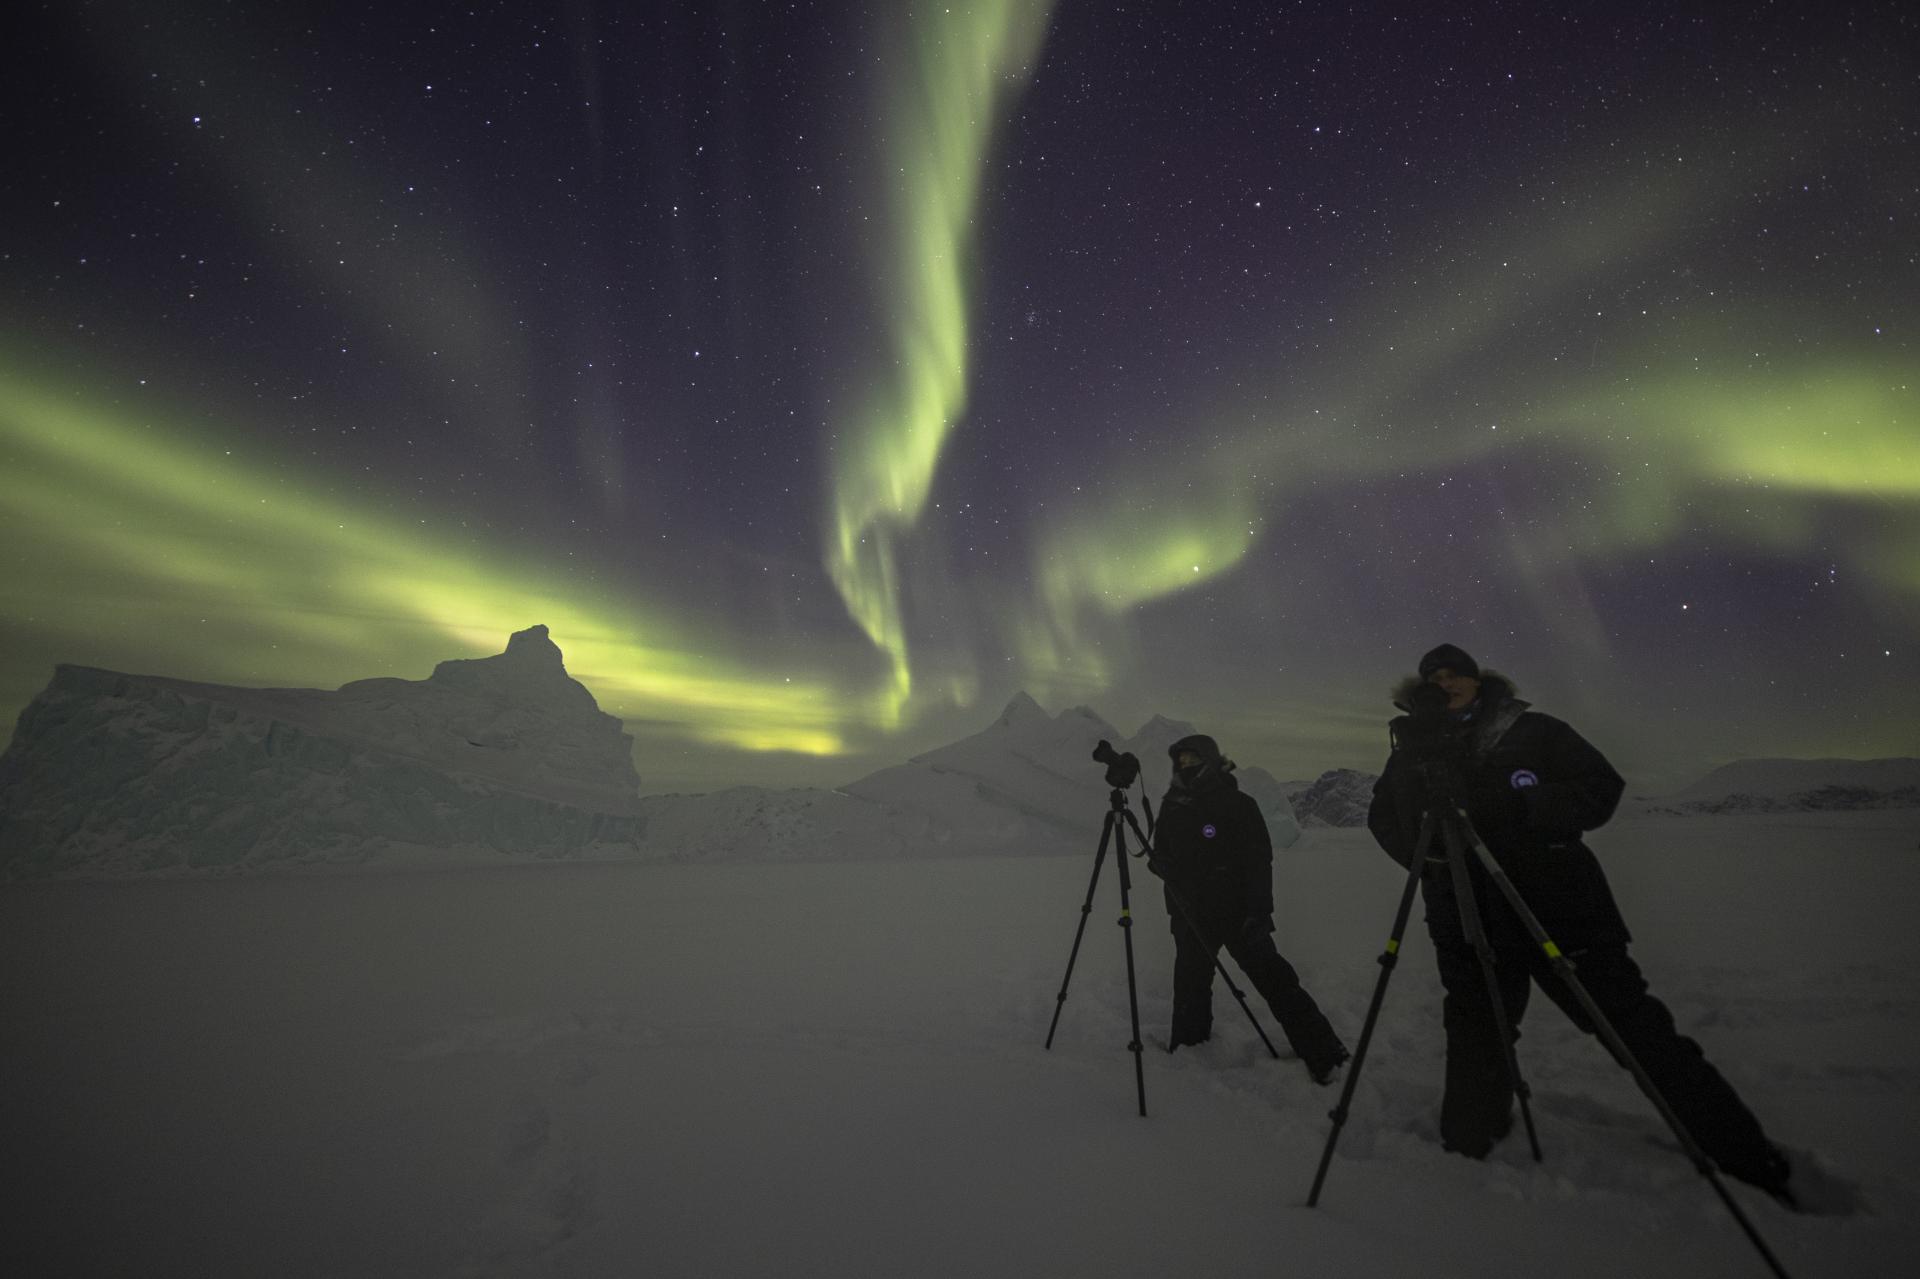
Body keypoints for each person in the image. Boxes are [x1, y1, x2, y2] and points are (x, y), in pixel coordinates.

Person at [1366, 643, 1796, 1203]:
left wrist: (1521, 809)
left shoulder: (1534, 731)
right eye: (1433, 678)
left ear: (1478, 681)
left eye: (1455, 676)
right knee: (1475, 1032)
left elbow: (1599, 788)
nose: (1444, 684)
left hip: (1558, 904)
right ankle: (1469, 1148)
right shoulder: (1411, 750)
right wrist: (1431, 857)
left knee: (1630, 1027)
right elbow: (1383, 818)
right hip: (1466, 914)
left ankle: (1741, 1152)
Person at [1149, 733, 1349, 1083]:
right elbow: (1162, 849)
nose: (1185, 766)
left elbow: (1259, 861)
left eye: (1192, 760)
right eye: (1180, 761)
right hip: (1190, 912)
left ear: (1209, 760)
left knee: (1275, 980)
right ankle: (1189, 1048)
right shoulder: (1172, 805)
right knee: (1191, 983)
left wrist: (1260, 913)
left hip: (1238, 913)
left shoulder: (1238, 804)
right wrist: (1161, 865)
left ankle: (1326, 1054)